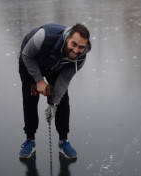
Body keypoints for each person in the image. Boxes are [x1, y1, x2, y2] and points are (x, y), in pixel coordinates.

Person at [18, 23, 91, 159]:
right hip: (31, 60)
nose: (76, 51)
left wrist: (54, 103)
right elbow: (27, 56)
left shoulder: (80, 58)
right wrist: (39, 80)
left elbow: (63, 81)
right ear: (68, 37)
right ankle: (30, 140)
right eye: (74, 44)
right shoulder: (43, 37)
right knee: (30, 98)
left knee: (62, 99)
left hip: (56, 66)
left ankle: (64, 141)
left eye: (81, 47)